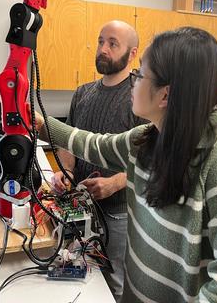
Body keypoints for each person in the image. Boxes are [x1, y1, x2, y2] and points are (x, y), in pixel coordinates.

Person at [37, 27, 217, 303]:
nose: (133, 82)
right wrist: (39, 124)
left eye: (139, 75)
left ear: (165, 96)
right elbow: (95, 144)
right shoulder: (148, 138)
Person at [51, 20, 146, 302]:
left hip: (118, 213)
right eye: (101, 41)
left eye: (113, 43)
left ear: (132, 53)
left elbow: (152, 159)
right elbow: (69, 140)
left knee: (113, 280)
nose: (103, 49)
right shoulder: (82, 93)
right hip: (79, 206)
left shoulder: (140, 96)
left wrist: (116, 182)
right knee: (79, 271)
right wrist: (65, 170)